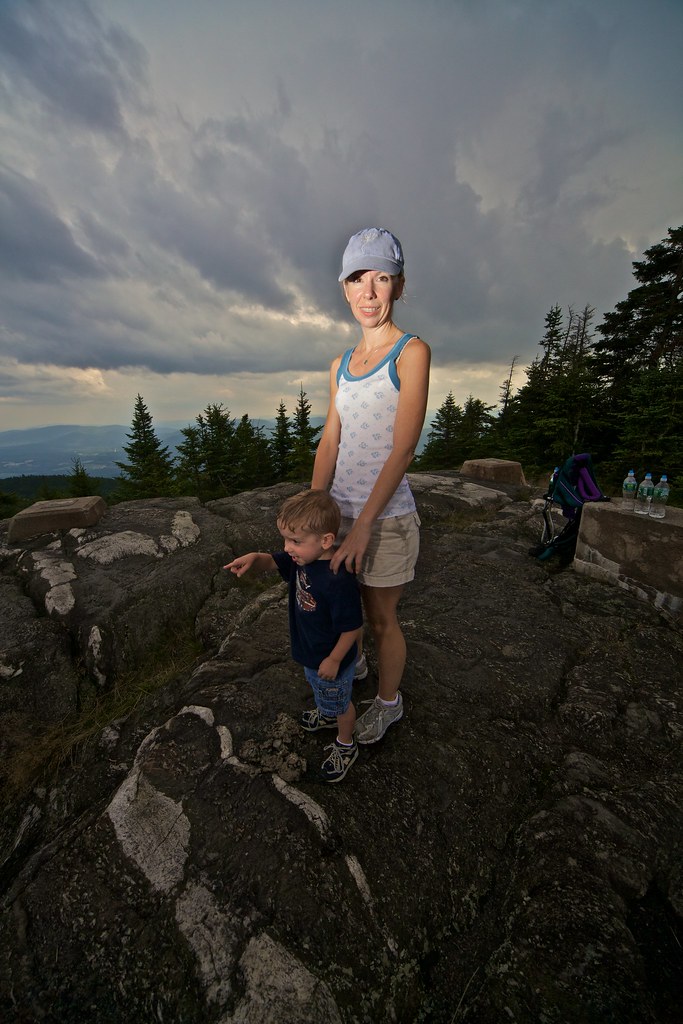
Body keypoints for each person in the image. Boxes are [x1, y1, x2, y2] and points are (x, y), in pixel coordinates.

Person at [312, 227, 431, 744]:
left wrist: (363, 528)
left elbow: (403, 449)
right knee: (345, 609)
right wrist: (314, 513)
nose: (368, 291)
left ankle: (388, 704)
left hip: (385, 520)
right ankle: (355, 668)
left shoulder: (411, 352)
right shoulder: (340, 365)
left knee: (381, 619)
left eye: (381, 278)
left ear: (398, 287)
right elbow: (329, 444)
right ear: (344, 288)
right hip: (340, 516)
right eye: (357, 278)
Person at [224, 489, 363, 783]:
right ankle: (326, 713)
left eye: (295, 541)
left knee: (342, 703)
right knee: (322, 691)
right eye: (286, 539)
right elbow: (273, 560)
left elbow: (352, 627)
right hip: (311, 652)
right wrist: (254, 558)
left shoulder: (337, 580)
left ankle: (346, 743)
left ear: (325, 540)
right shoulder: (303, 561)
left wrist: (335, 660)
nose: (288, 547)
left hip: (330, 658)